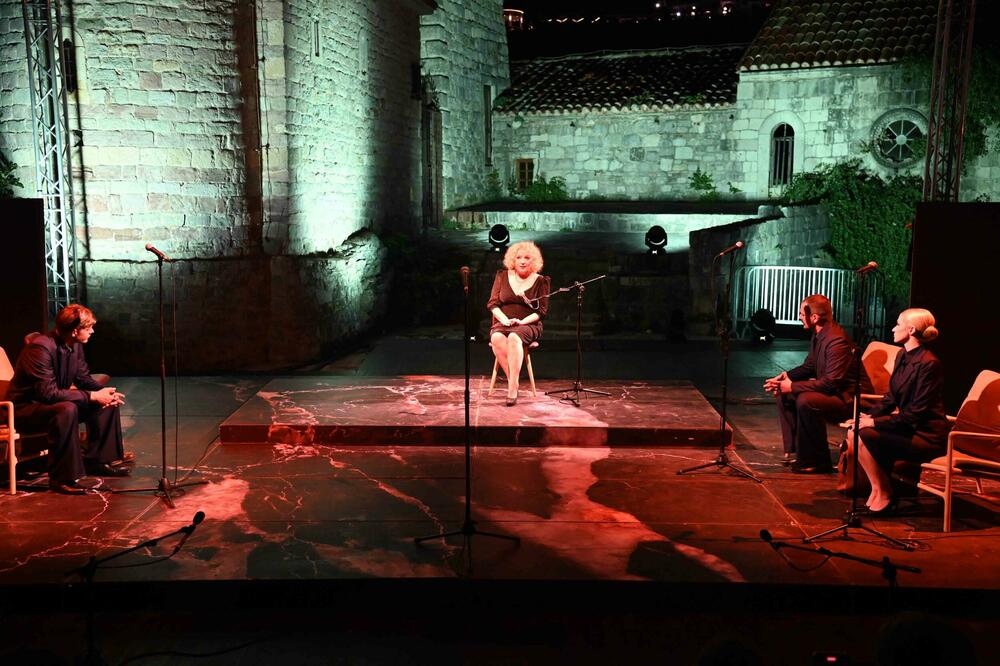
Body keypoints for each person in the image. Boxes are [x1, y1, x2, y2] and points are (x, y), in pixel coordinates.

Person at [8, 304, 131, 494]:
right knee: (66, 409)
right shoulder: (39, 348)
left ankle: (98, 461)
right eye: (88, 327)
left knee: (106, 403)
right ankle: (62, 478)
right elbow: (47, 393)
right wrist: (92, 396)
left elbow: (82, 378)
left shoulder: (75, 346)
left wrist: (103, 392)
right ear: (75, 330)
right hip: (24, 410)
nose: (92, 331)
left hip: (51, 404)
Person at [850, 309, 950, 514]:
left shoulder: (929, 364)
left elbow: (916, 413)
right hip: (908, 428)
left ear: (911, 330)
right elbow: (891, 397)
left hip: (926, 435)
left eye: (898, 324)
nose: (893, 328)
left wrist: (875, 423)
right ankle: (878, 489)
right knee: (854, 432)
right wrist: (870, 415)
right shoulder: (902, 354)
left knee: (864, 434)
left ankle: (885, 492)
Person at [763, 294, 870, 473]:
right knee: (786, 395)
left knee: (807, 400)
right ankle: (802, 453)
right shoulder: (820, 334)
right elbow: (810, 366)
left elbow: (830, 383)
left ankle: (818, 461)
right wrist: (785, 377)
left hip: (850, 400)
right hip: (836, 393)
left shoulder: (836, 340)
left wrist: (792, 386)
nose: (799, 317)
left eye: (801, 314)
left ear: (814, 317)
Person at [487, 241, 550, 406]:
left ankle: (512, 389)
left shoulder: (540, 281)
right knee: (497, 337)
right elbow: (493, 304)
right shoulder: (502, 276)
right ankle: (513, 381)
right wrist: (504, 320)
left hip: (528, 324)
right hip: (504, 322)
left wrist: (521, 322)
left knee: (514, 337)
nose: (522, 261)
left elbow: (541, 312)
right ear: (512, 260)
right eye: (519, 257)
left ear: (533, 260)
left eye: (527, 258)